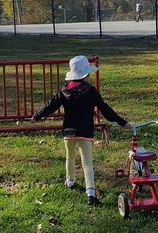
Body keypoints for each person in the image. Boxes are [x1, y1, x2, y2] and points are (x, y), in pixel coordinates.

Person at [32, 55, 132, 206]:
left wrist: (37, 115)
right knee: (87, 162)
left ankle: (70, 181)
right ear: (85, 75)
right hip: (85, 131)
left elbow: (50, 106)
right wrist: (122, 122)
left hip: (68, 132)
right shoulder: (91, 91)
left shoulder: (64, 91)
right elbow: (105, 109)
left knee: (70, 157)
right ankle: (91, 193)